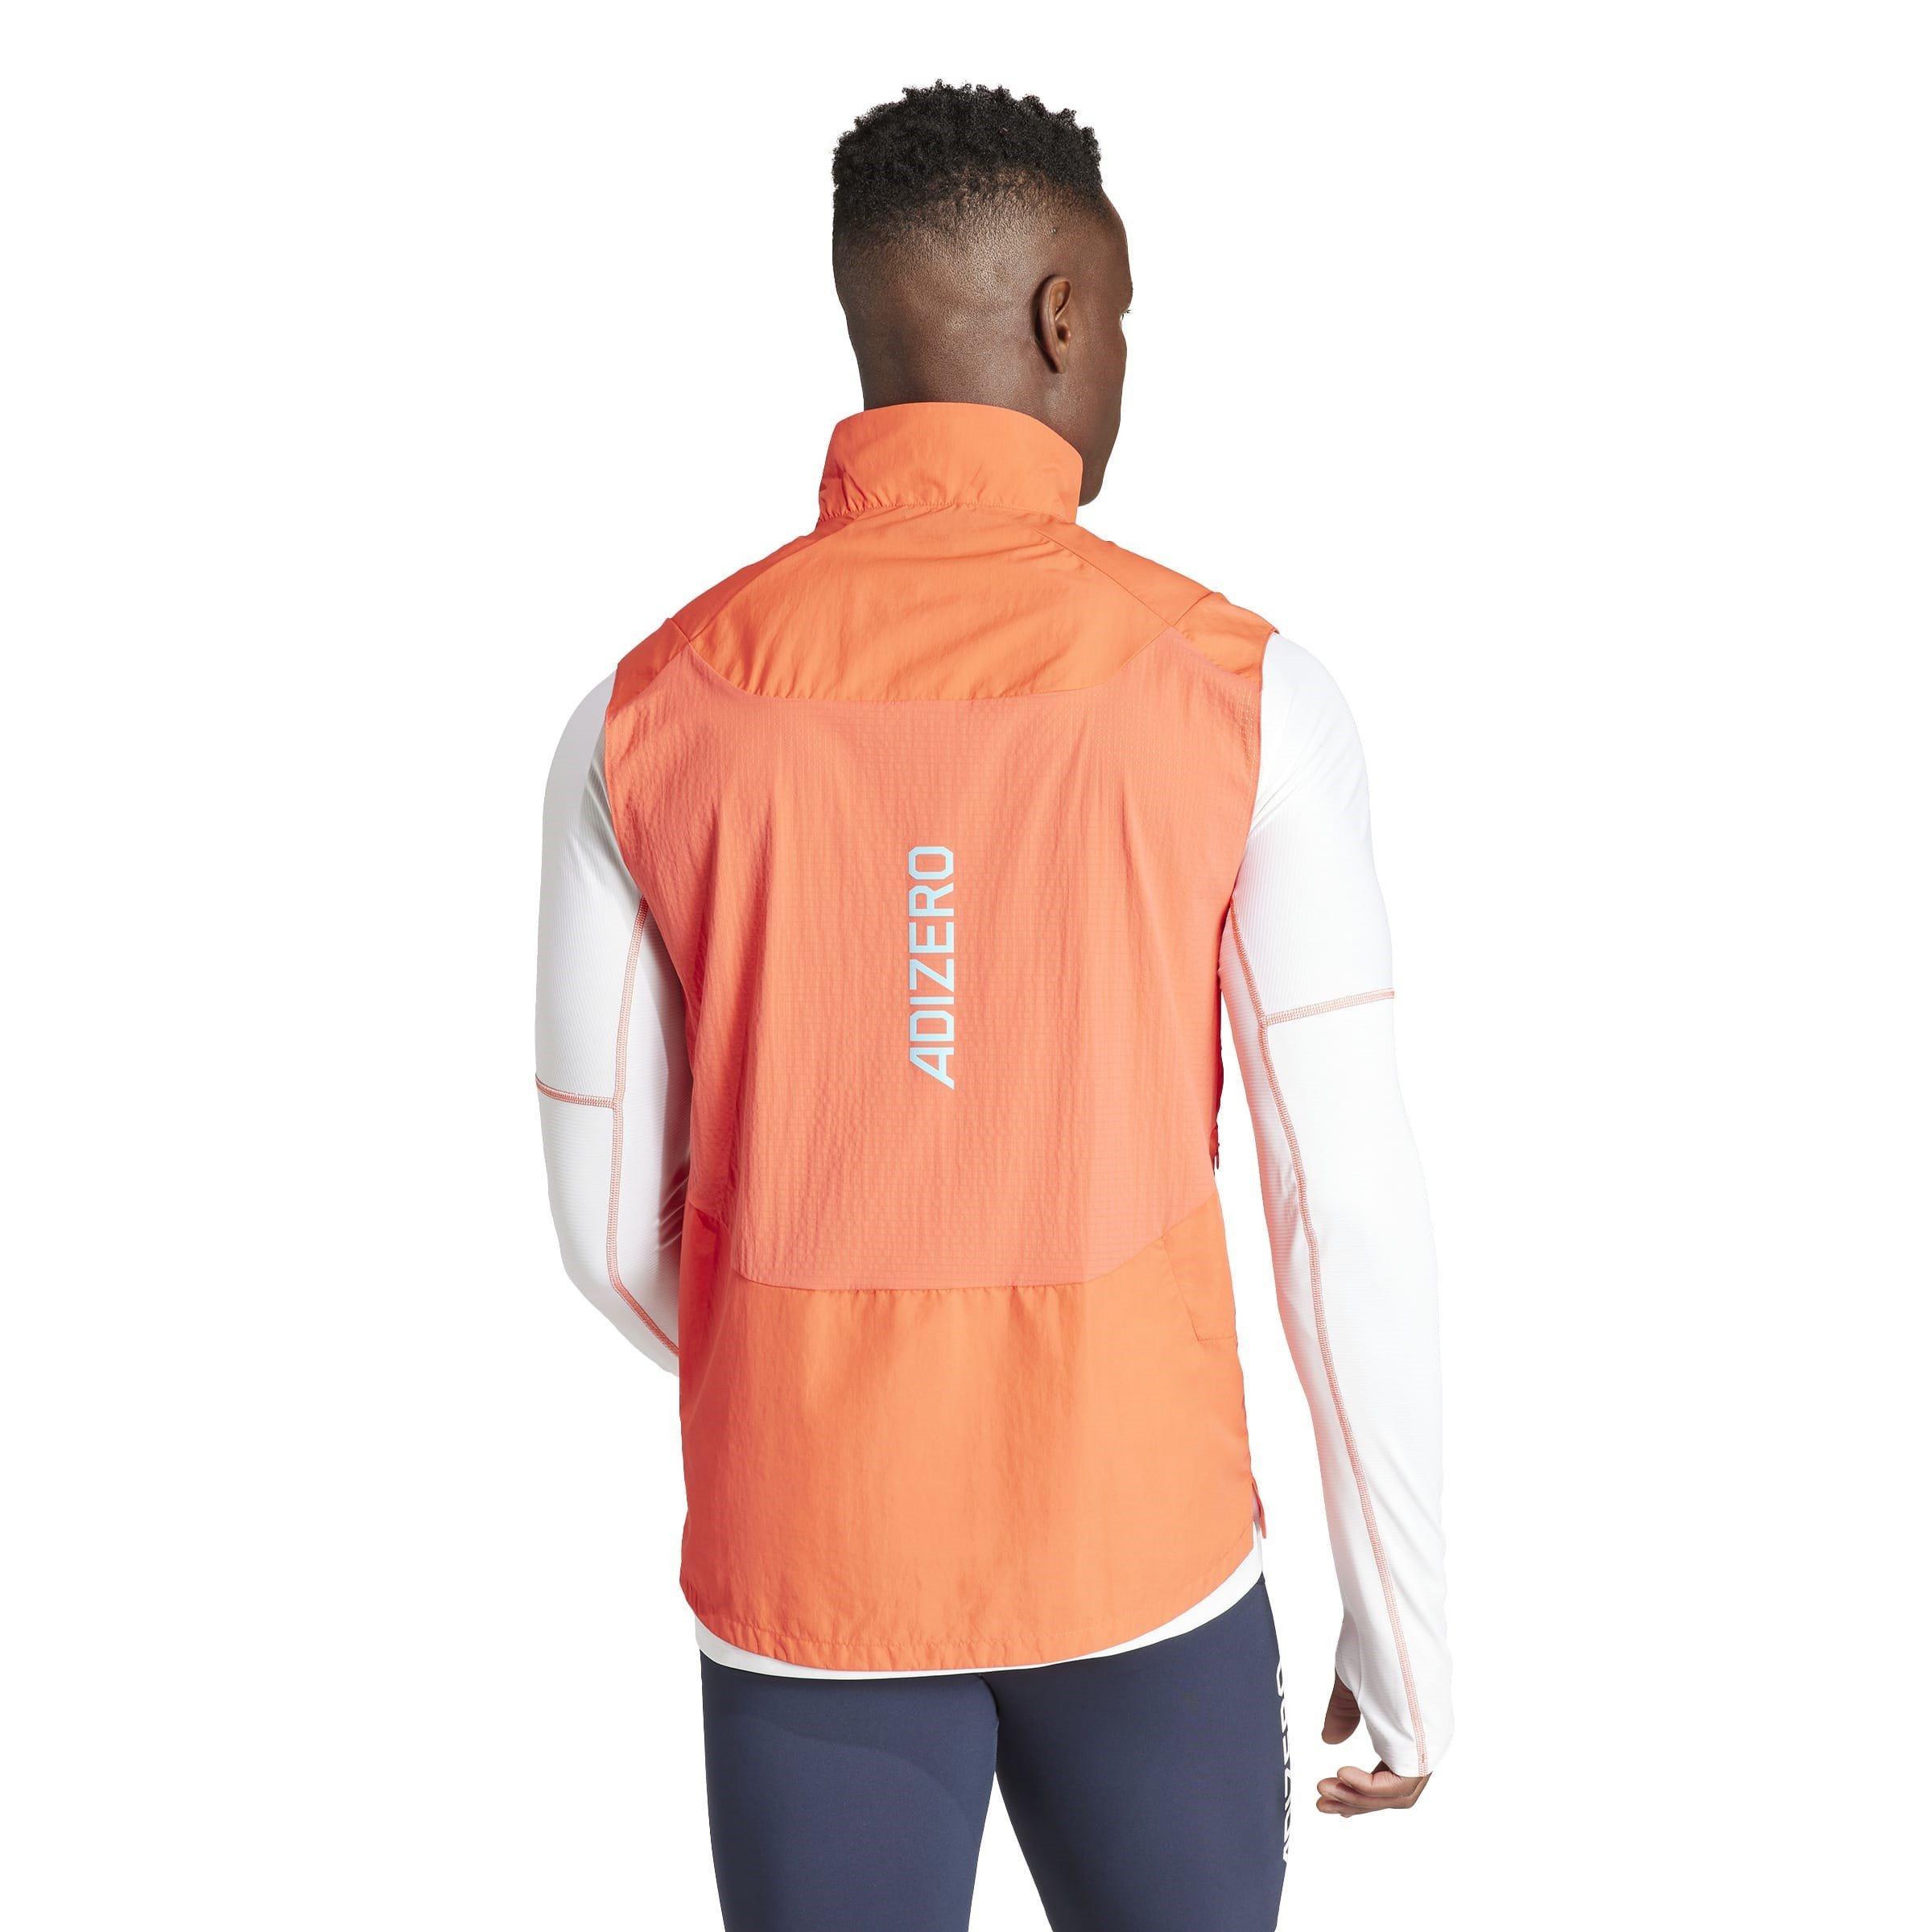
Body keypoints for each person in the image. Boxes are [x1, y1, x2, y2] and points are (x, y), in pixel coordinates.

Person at [535, 80, 1450, 1932]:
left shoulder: (645, 712)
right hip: (1145, 1553)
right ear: (1062, 314)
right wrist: (1403, 1622)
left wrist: (831, 1378)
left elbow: (609, 1229)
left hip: (810, 1567)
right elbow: (1339, 1206)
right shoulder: (1243, 693)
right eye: (1125, 322)